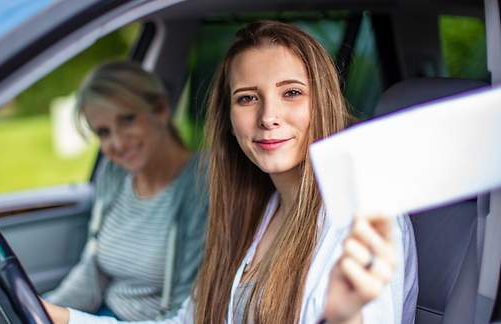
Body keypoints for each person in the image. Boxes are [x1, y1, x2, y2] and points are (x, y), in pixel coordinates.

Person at [44, 20, 418, 324]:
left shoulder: (363, 218)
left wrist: (342, 318)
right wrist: (60, 317)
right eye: (247, 98)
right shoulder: (251, 210)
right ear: (229, 119)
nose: (268, 117)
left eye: (291, 93)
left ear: (323, 102)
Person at [44, 61, 208, 321]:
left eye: (128, 120)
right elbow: (93, 270)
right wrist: (39, 309)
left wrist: (67, 318)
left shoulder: (203, 184)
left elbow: (185, 315)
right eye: (104, 132)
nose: (118, 143)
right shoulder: (114, 171)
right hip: (103, 315)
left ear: (161, 110)